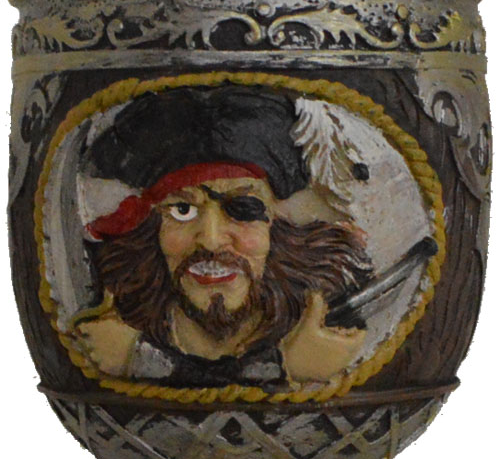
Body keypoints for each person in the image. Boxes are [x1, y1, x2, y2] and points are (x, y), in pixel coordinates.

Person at [75, 84, 372, 387]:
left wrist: (138, 358)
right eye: (182, 210)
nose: (211, 240)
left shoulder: (326, 324)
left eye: (243, 209)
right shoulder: (118, 316)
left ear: (279, 227)